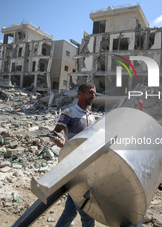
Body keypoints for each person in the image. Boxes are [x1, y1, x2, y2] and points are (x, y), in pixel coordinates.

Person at [50, 83, 96, 227]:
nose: (93, 96)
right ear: (80, 94)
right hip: (74, 166)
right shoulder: (69, 112)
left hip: (87, 166)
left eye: (94, 93)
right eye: (90, 93)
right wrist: (61, 144)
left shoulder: (92, 117)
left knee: (70, 210)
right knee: (87, 213)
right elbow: (55, 132)